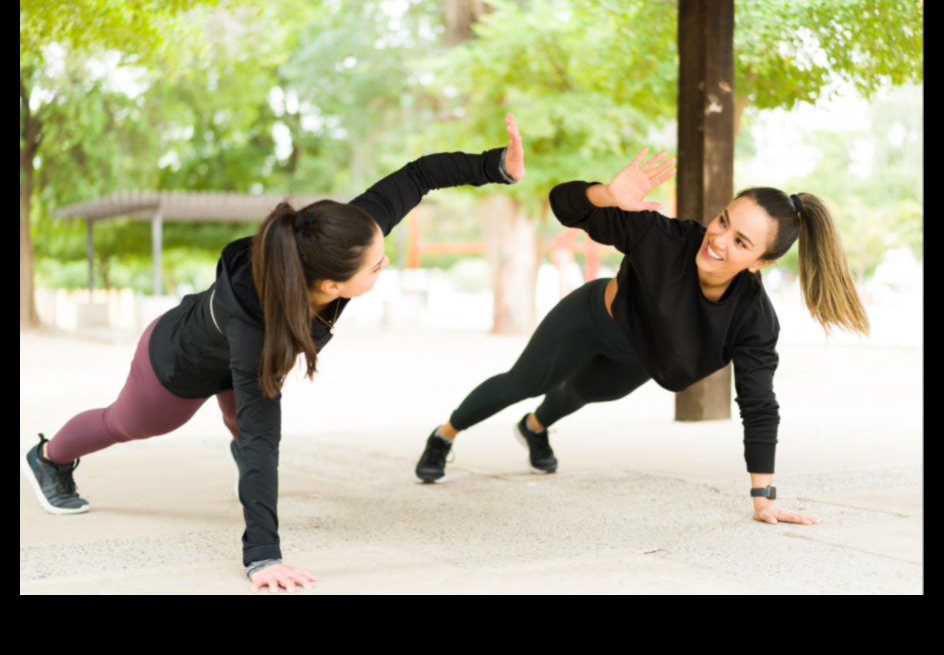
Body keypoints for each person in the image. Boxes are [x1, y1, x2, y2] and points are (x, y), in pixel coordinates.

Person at [21, 114, 526, 594]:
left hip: (240, 360)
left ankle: (238, 455)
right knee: (131, 425)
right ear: (331, 285)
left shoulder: (337, 244)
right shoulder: (260, 331)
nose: (383, 262)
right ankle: (47, 457)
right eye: (376, 267)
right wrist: (263, 556)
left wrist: (495, 165)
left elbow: (419, 175)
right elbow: (265, 439)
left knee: (248, 430)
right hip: (178, 360)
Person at [415, 146, 869, 527]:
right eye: (724, 220)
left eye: (741, 242)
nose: (718, 239)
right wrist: (605, 194)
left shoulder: (753, 322)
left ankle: (534, 428)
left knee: (583, 392)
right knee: (523, 383)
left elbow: (758, 404)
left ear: (760, 264)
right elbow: (566, 206)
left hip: (637, 357)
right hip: (593, 318)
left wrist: (763, 497)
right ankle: (444, 434)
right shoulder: (664, 238)